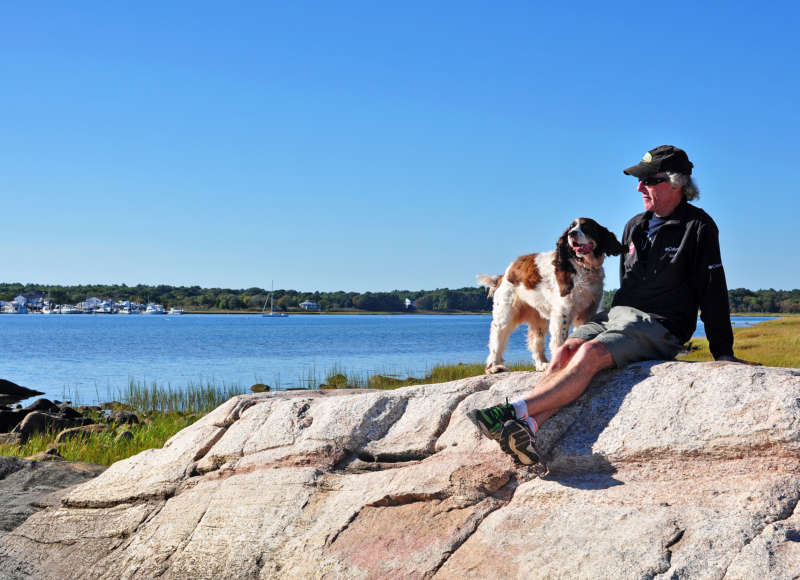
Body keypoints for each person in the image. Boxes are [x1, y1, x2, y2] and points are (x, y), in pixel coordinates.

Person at [468, 145, 744, 465]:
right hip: (617, 315)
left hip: (661, 324)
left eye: (648, 181)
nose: (639, 187)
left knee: (589, 354)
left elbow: (713, 290)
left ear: (676, 183)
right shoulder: (634, 226)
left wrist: (722, 351)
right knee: (566, 351)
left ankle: (512, 410)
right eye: (639, 182)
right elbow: (626, 284)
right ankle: (529, 427)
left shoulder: (700, 228)